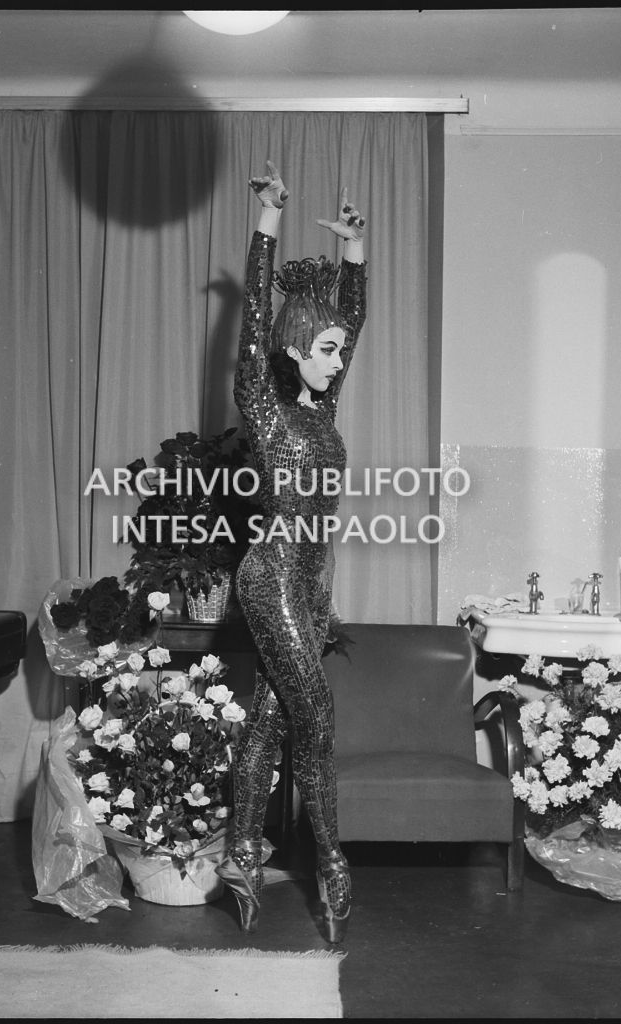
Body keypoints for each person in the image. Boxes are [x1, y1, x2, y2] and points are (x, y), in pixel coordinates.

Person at [216, 160, 366, 943]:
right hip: (270, 574)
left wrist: (355, 257)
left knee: (272, 724)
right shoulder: (266, 409)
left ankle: (241, 855)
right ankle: (332, 864)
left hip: (309, 585)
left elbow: (358, 320)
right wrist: (267, 224)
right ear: (299, 346)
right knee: (317, 711)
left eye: (341, 349)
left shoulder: (322, 410)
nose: (340, 360)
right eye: (330, 348)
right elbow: (249, 325)